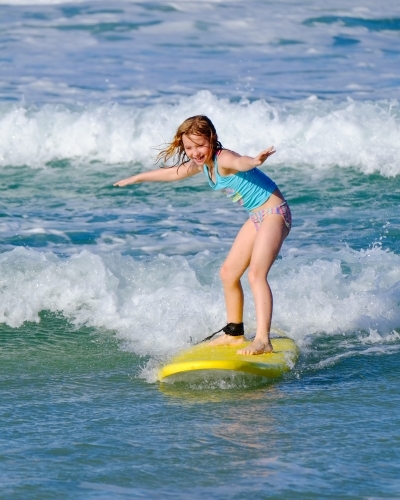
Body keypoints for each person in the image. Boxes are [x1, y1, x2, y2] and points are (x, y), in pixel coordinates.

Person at [114, 115, 291, 355]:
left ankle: (262, 340)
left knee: (256, 275)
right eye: (189, 147)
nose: (195, 152)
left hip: (273, 213)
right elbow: (173, 173)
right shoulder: (203, 165)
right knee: (228, 274)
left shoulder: (223, 158)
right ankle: (234, 334)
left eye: (200, 145)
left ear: (212, 139)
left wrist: (255, 160)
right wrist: (138, 177)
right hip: (257, 217)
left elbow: (240, 162)